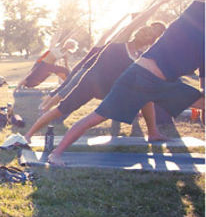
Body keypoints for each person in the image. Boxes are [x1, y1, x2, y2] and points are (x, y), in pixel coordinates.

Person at [49, 0, 205, 165]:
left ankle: (153, 134)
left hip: (166, 85)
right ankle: (56, 153)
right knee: (97, 116)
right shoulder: (189, 22)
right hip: (138, 78)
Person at [23, 23, 166, 141]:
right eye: (143, 31)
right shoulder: (120, 42)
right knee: (62, 109)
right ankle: (29, 134)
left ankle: (153, 133)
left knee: (146, 97)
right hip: (90, 84)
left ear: (150, 40)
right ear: (137, 32)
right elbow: (137, 21)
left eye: (149, 35)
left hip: (110, 89)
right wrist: (160, 1)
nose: (144, 34)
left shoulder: (140, 56)